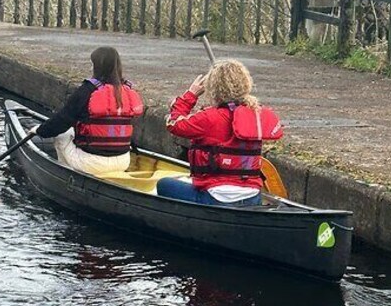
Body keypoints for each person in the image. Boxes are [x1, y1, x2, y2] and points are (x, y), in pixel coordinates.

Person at [157, 59, 283, 206]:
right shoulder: (256, 115)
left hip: (216, 198)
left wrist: (190, 95)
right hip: (252, 197)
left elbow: (174, 124)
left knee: (163, 184)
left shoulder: (208, 118)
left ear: (213, 88)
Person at [30, 47, 144, 176]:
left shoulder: (88, 90)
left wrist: (39, 131)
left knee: (61, 135)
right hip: (123, 161)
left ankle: (64, 176)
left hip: (93, 164)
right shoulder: (126, 91)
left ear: (96, 66)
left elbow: (60, 122)